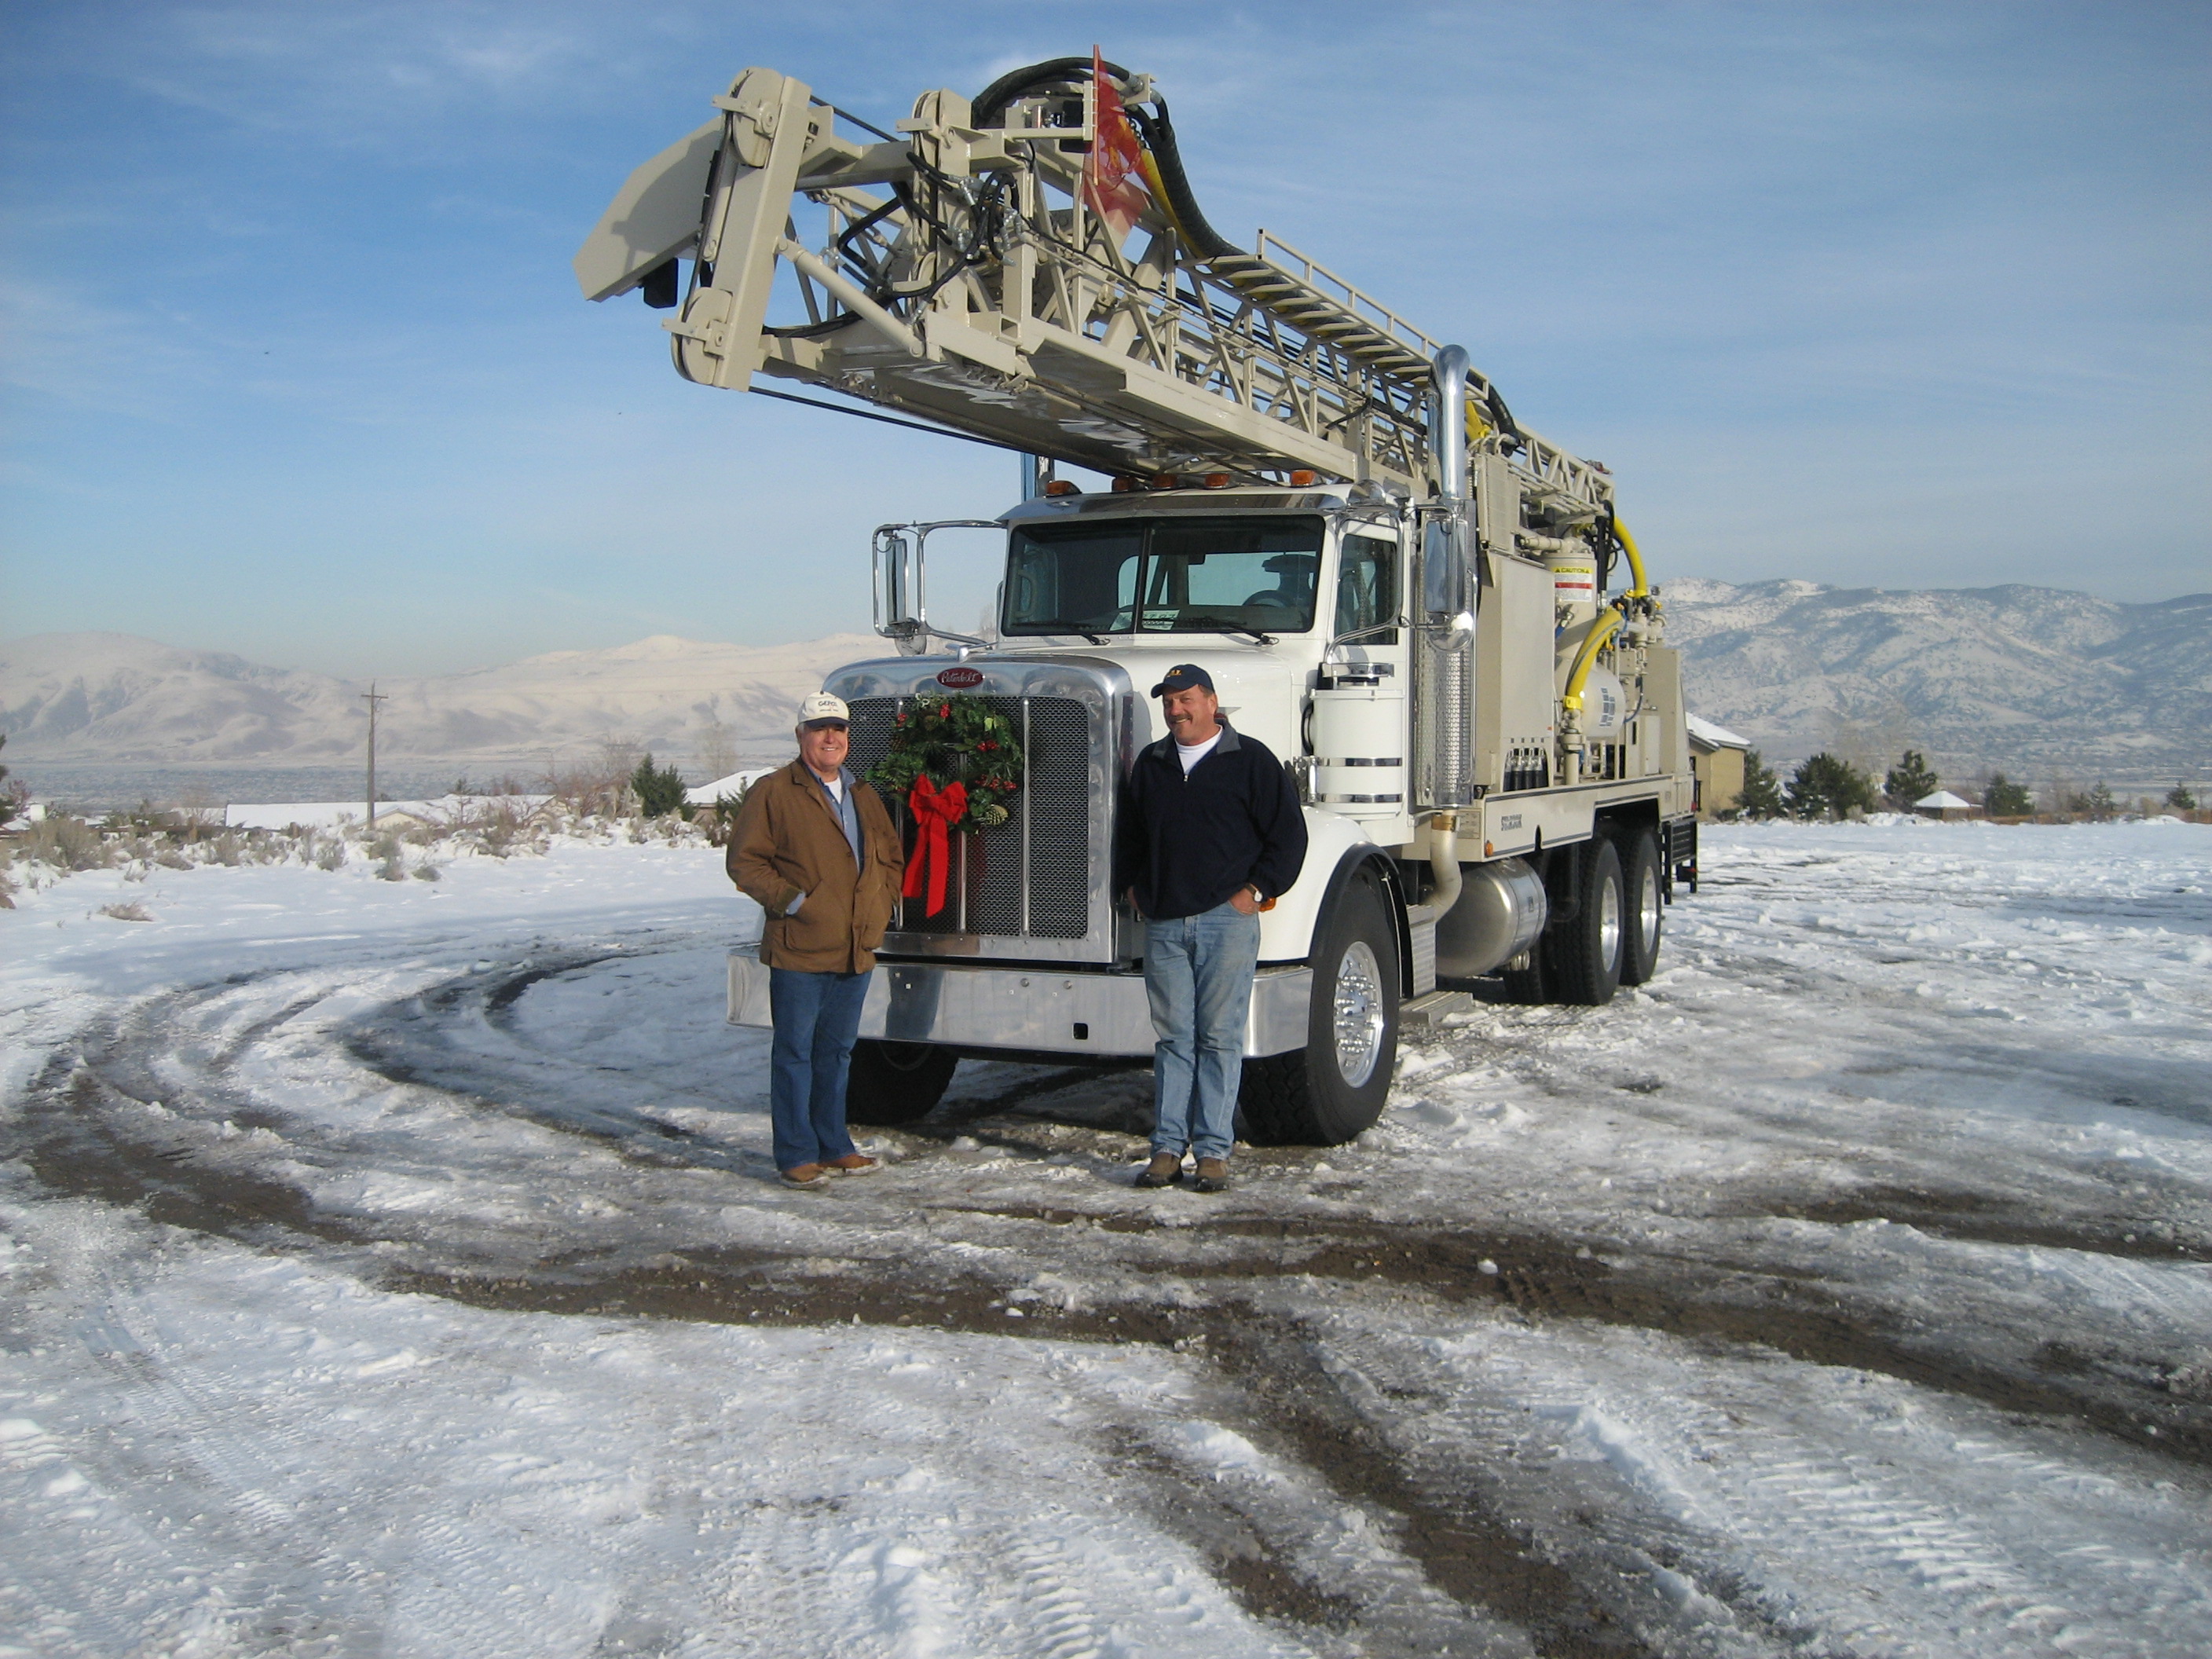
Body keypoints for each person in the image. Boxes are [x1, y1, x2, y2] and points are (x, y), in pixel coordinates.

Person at [1115, 664, 1307, 1192]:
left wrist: (1256, 891)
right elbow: (1128, 836)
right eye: (1169, 702)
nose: (1177, 710)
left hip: (1227, 922)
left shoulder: (1251, 761)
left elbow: (1289, 836)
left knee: (1219, 1038)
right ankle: (1167, 1149)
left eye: (1187, 699)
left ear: (1212, 701)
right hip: (1165, 924)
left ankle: (1214, 1153)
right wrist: (1133, 885)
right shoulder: (1152, 764)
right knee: (1175, 1039)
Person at [727, 692, 904, 1186]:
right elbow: (745, 862)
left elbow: (889, 855)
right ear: (801, 735)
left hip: (855, 946)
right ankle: (796, 1153)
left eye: (839, 730)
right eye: (820, 729)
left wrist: (880, 903)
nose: (831, 738)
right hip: (800, 947)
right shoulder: (774, 791)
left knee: (838, 1052)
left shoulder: (862, 793)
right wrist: (797, 903)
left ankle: (834, 1144)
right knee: (795, 1053)